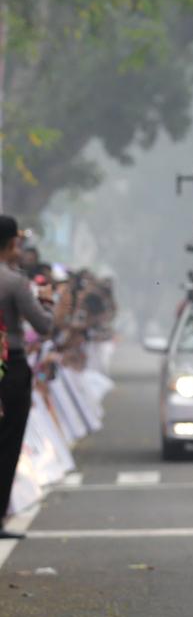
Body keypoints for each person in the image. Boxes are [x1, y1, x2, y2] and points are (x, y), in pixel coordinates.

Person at [0, 216, 63, 538]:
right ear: (12, 243)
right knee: (8, 442)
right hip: (9, 367)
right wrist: (48, 301)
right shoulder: (14, 282)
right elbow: (43, 326)